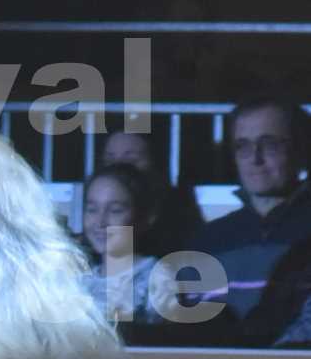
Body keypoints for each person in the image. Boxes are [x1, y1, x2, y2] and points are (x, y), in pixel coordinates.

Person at [183, 99, 311, 334]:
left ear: (300, 150)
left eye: (269, 144)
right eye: (243, 146)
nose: (255, 159)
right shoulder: (210, 239)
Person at [78, 163, 168, 324]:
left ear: (143, 217)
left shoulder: (155, 278)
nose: (100, 222)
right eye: (92, 209)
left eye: (115, 211)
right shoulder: (79, 281)